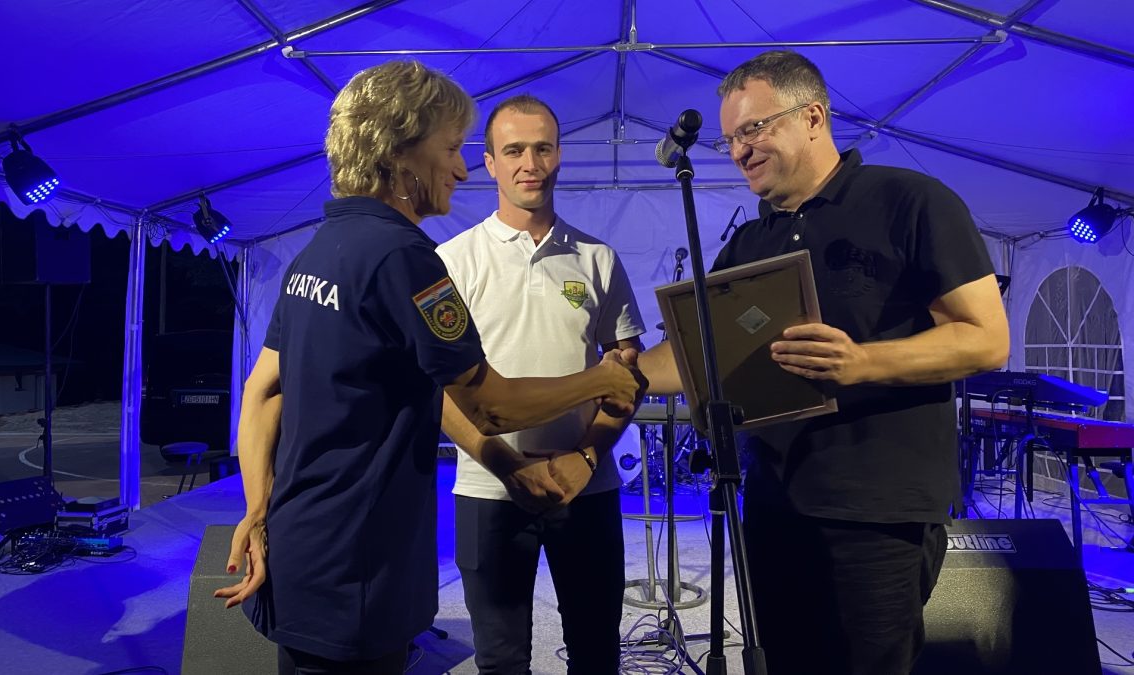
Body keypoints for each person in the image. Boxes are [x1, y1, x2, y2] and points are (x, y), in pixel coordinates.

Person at [212, 61, 643, 675]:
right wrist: (601, 379)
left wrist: (258, 509)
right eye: (451, 148)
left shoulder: (317, 252)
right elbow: (489, 406)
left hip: (303, 543)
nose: (462, 170)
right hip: (361, 560)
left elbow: (261, 392)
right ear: (402, 154)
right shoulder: (409, 259)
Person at [633, 50, 1009, 675]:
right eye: (729, 140)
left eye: (753, 129)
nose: (739, 151)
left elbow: (985, 339)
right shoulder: (749, 242)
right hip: (775, 504)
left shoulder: (910, 201)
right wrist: (610, 378)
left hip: (878, 512)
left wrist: (861, 362)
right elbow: (697, 355)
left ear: (812, 117)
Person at [437, 94, 645, 675]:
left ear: (559, 156)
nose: (530, 163)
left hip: (586, 487)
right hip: (488, 489)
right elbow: (437, 389)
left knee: (596, 653)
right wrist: (506, 465)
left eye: (543, 148)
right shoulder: (452, 261)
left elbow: (627, 374)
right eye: (514, 151)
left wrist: (586, 457)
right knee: (501, 661)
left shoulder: (598, 259)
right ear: (489, 163)